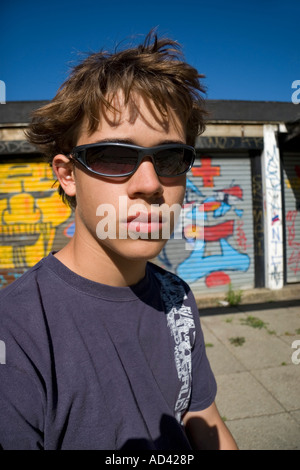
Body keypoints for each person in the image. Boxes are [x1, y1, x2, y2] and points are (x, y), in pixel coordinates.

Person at [0, 31, 238, 450]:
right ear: (68, 174)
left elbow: (200, 413)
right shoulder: (17, 330)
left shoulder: (177, 297)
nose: (149, 184)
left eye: (169, 158)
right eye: (115, 156)